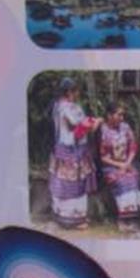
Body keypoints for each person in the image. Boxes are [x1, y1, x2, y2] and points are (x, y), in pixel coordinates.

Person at [48, 80, 99, 228]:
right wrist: (92, 123)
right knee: (70, 181)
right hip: (69, 148)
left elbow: (81, 122)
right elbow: (75, 124)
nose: (77, 94)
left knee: (74, 181)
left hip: (73, 147)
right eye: (75, 91)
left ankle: (75, 217)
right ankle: (70, 219)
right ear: (69, 92)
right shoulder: (64, 107)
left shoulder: (65, 105)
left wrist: (89, 122)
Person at [97, 102, 140, 229]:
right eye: (119, 115)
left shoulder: (126, 127)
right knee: (121, 180)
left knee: (133, 177)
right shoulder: (102, 130)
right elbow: (103, 157)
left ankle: (132, 217)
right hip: (110, 166)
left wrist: (128, 163)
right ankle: (123, 219)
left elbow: (133, 147)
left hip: (127, 163)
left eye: (122, 115)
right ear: (109, 116)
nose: (122, 118)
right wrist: (120, 165)